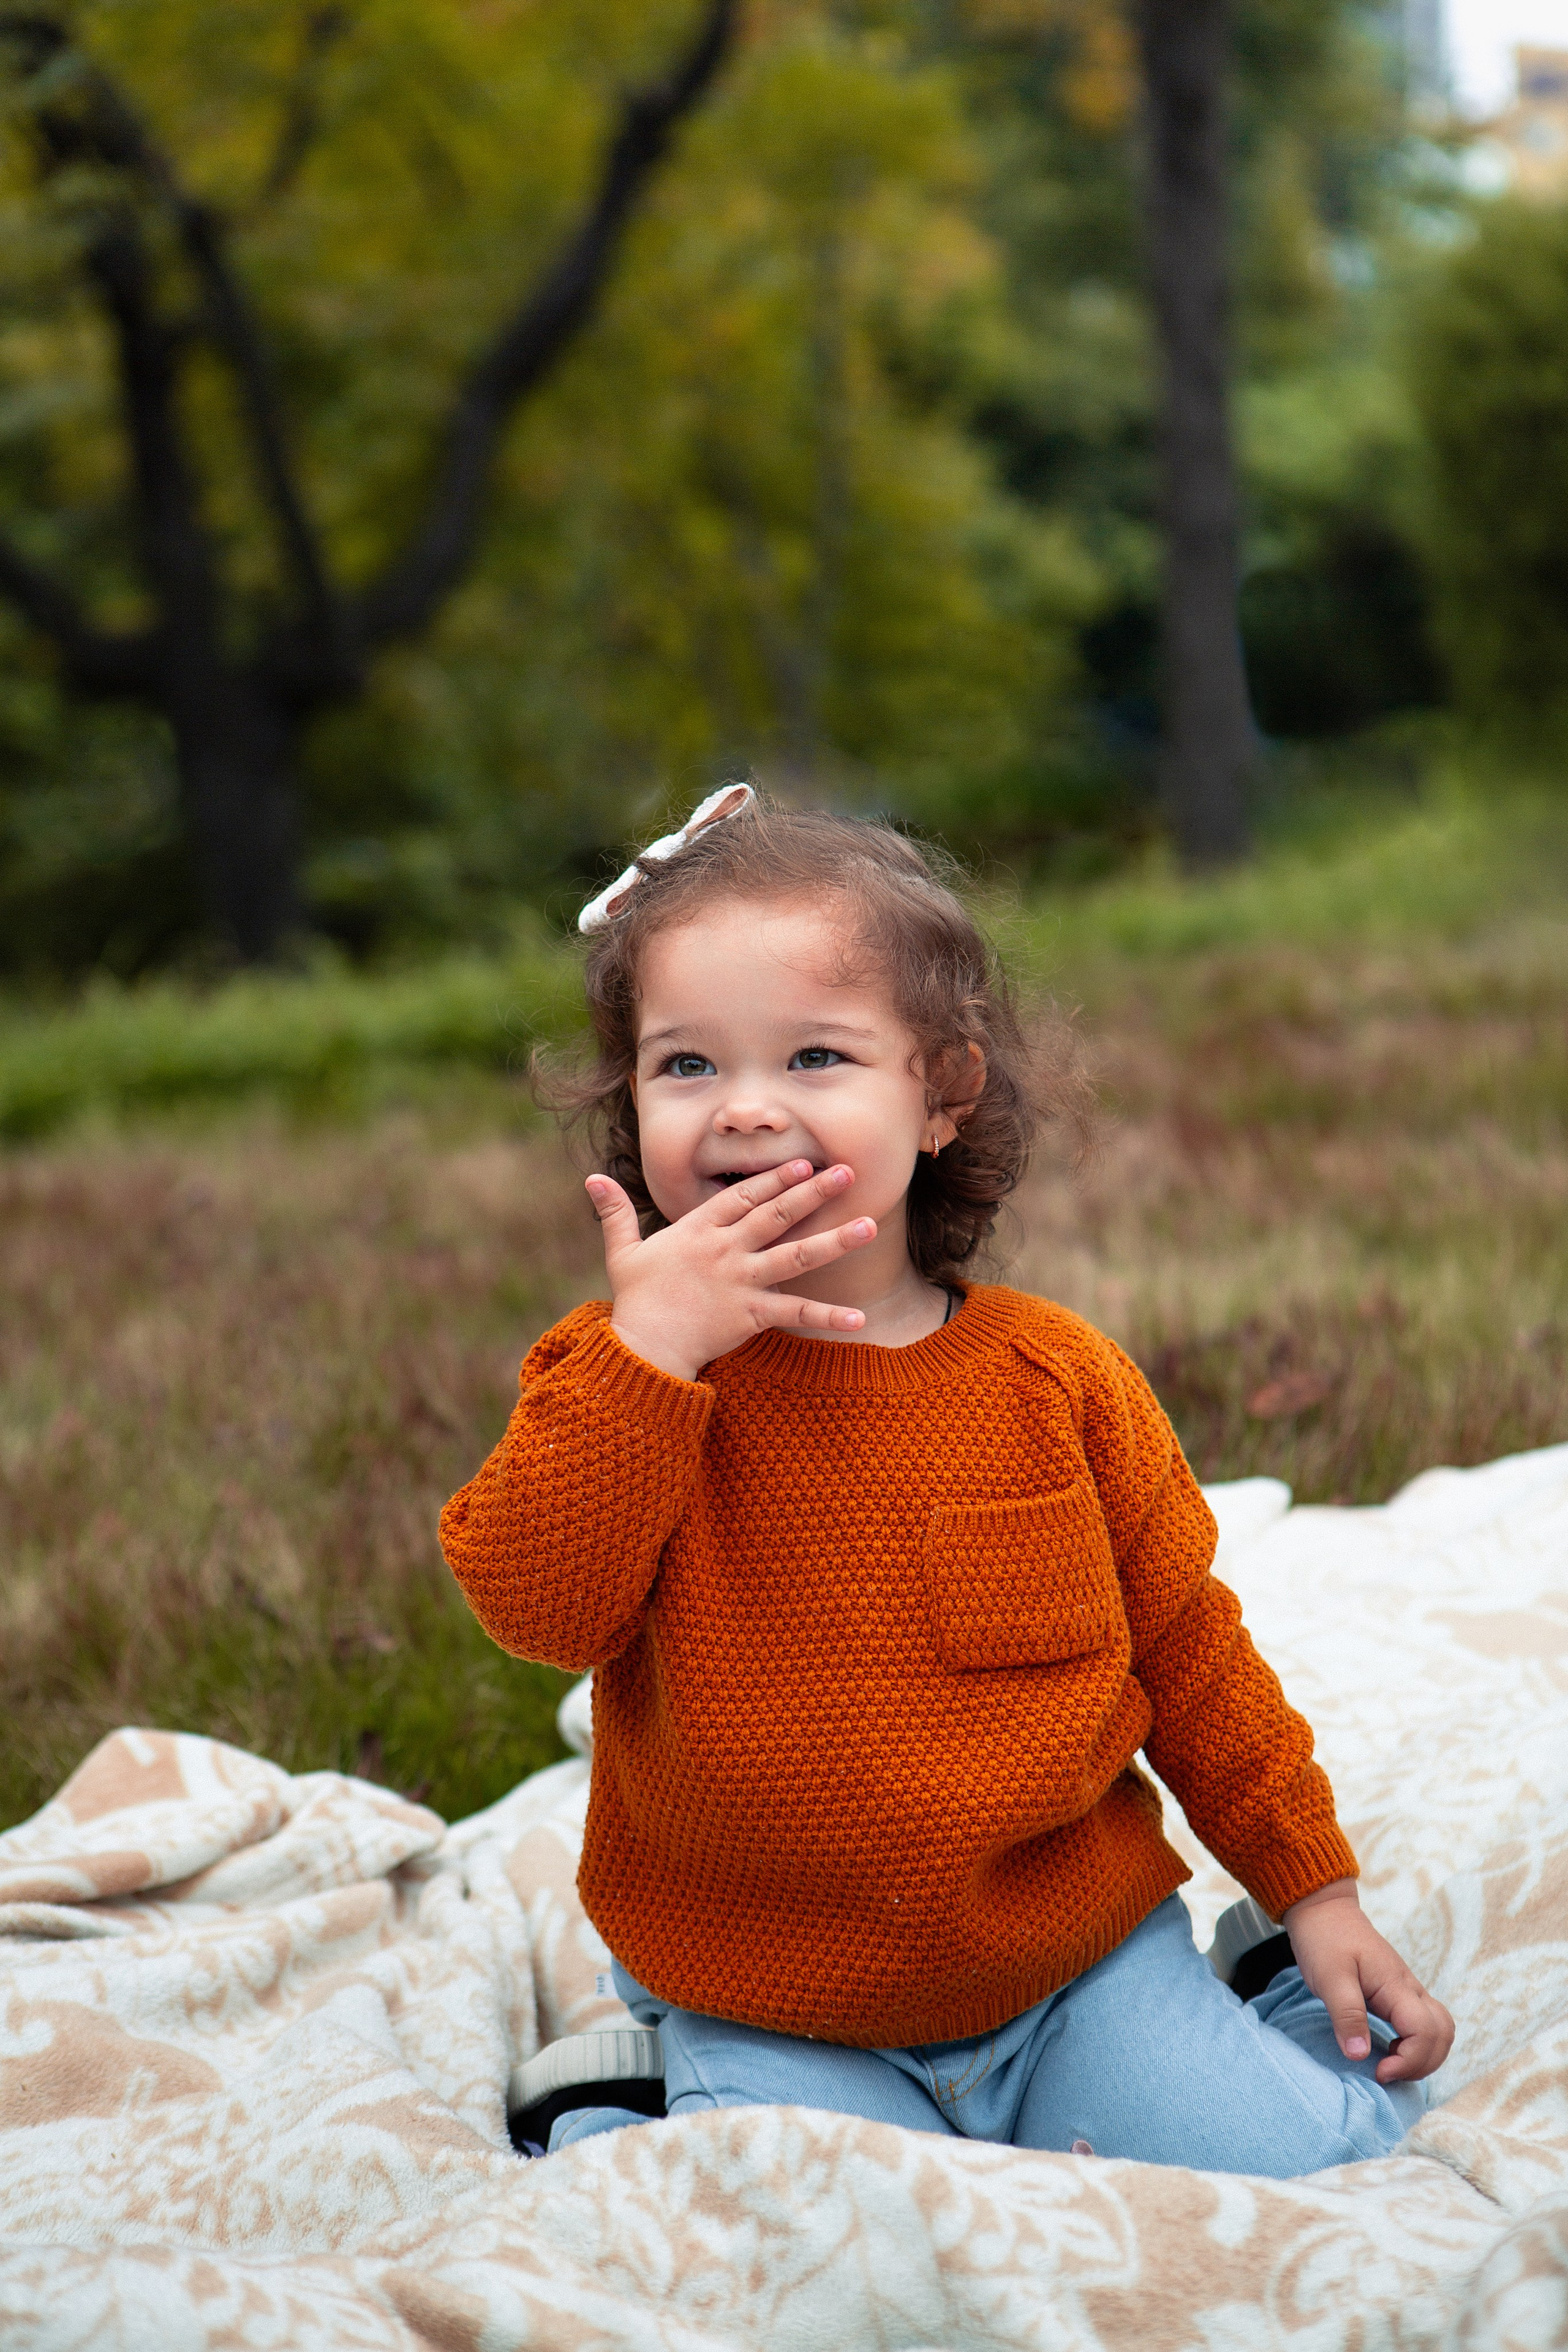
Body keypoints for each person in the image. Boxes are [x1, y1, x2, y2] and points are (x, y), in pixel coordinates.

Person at [440, 786, 1454, 2171]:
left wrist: (1312, 1888)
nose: (743, 1110)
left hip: (1072, 1967)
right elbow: (533, 1610)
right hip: (765, 1994)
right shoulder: (617, 1377)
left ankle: (1254, 1986)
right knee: (809, 2240)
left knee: (1318, 2162)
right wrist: (652, 1356)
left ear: (941, 1095)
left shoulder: (1053, 1381)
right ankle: (635, 2085)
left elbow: (1187, 1652)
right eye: (685, 1066)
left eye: (813, 1056)